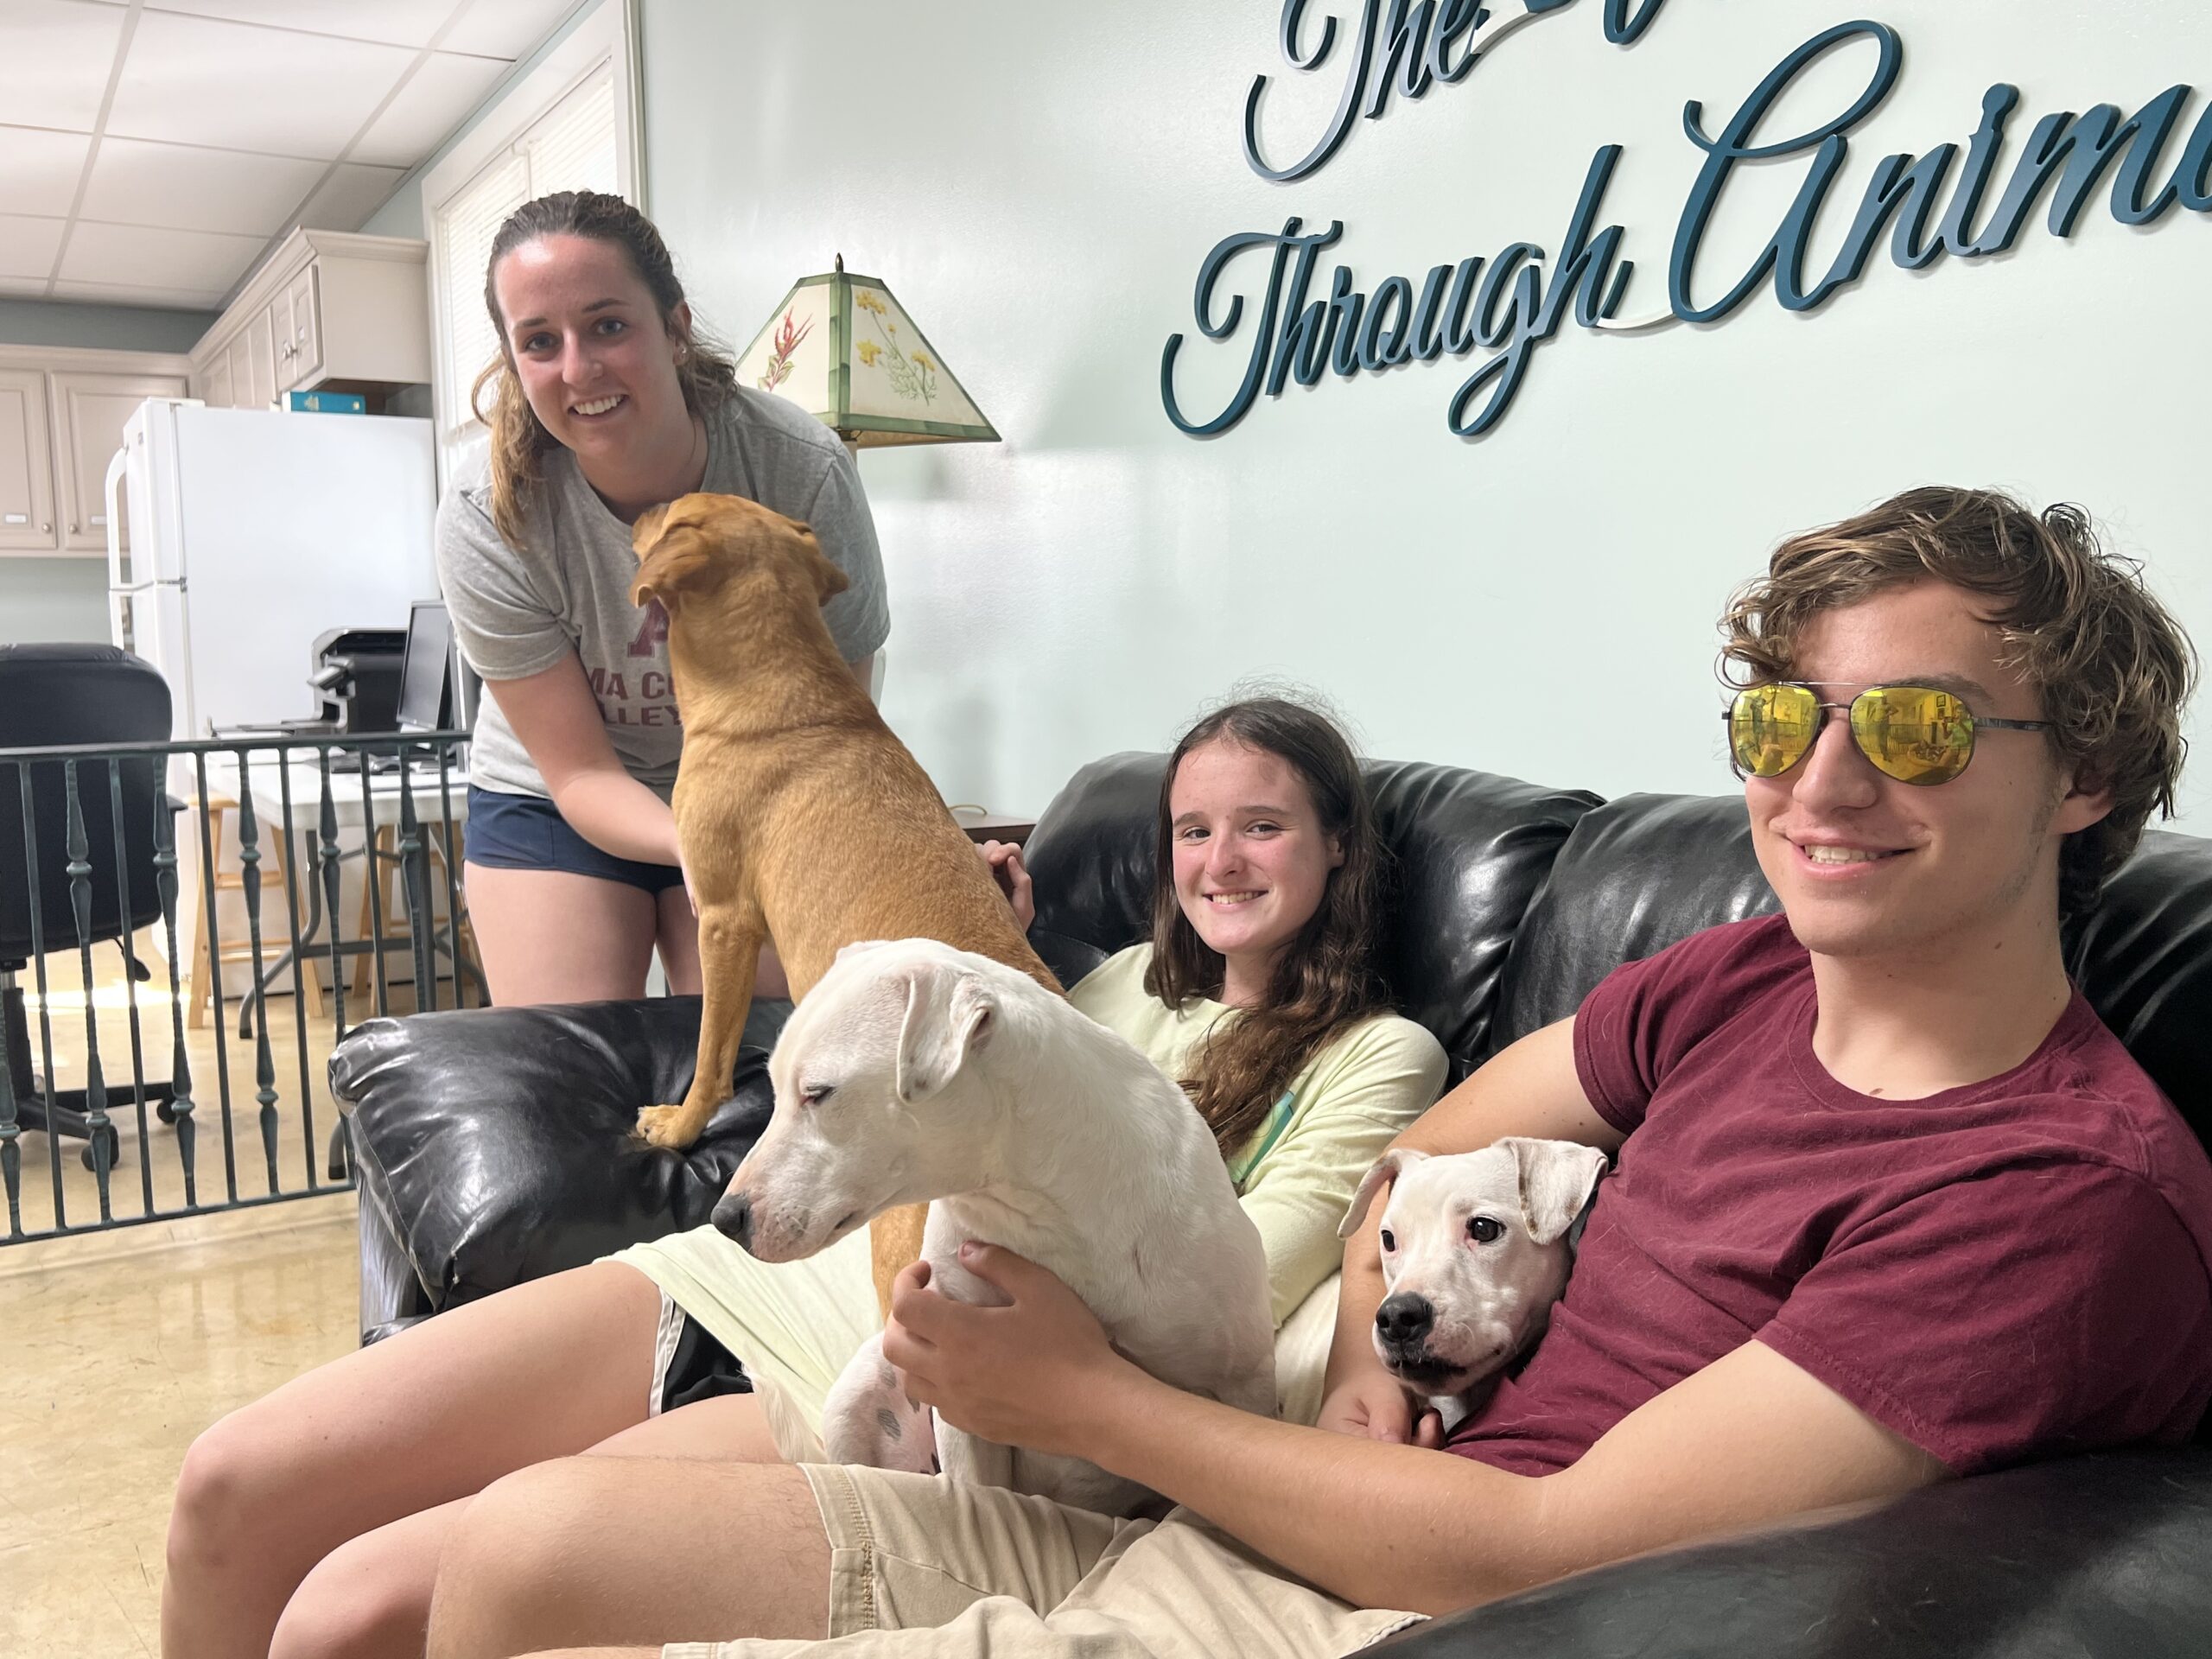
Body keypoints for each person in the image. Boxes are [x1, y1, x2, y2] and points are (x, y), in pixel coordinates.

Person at [411, 486, 2212, 1659]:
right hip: (1273, 1490)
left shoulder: (2052, 1198)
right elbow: (1423, 1157)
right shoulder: (1734, 977)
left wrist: (1093, 1405)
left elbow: (1541, 1552)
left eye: (1910, 729)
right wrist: (1362, 1355)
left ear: (2081, 778)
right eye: (1776, 722)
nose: (1814, 791)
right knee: (502, 1568)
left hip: (1379, 1608)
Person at [160, 696, 1448, 1659]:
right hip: (814, 1286)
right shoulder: (1099, 986)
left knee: (358, 1610)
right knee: (236, 1482)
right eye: (1192, 830)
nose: (1219, 860)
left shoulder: (1380, 1054)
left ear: (1338, 846)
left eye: (1263, 827)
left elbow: (1252, 1265)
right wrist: (983, 924)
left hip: (932, 1373)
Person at [438, 189, 890, 1007]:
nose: (578, 369)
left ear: (676, 328)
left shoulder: (803, 470)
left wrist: (780, 834)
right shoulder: (488, 512)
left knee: (778, 1053)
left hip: (757, 790)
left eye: (609, 325)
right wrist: (702, 839)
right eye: (540, 343)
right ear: (514, 364)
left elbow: (836, 722)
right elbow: (578, 776)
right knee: (574, 1064)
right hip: (554, 802)